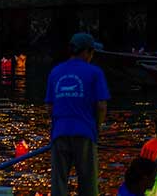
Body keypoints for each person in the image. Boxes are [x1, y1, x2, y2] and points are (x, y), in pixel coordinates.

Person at [47, 32, 110, 196]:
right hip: (84, 132)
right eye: (92, 52)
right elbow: (101, 106)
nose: (92, 56)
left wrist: (57, 126)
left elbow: (50, 107)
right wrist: (96, 128)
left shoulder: (55, 72)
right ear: (87, 52)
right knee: (88, 184)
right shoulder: (95, 72)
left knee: (59, 183)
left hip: (59, 133)